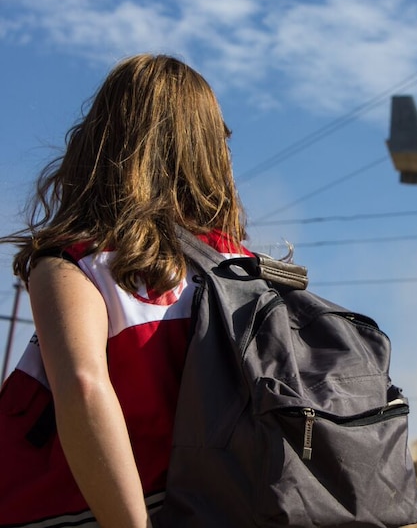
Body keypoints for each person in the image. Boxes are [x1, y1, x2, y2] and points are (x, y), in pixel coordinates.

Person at [0, 54, 250, 527]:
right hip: (219, 504)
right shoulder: (243, 270)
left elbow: (83, 387)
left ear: (100, 142)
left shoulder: (78, 266)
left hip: (85, 511)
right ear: (211, 152)